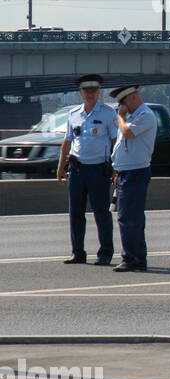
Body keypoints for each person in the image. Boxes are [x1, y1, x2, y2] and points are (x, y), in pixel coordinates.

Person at [56, 74, 118, 265]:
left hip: (99, 169)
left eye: (94, 90)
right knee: (75, 213)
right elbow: (68, 141)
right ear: (80, 92)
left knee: (101, 213)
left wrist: (115, 167)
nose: (90, 94)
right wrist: (60, 166)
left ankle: (105, 253)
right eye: (86, 91)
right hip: (77, 169)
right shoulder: (74, 113)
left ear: (99, 92)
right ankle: (78, 252)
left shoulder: (108, 113)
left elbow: (115, 141)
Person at [108, 84, 158, 273]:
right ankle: (135, 257)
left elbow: (127, 133)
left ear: (132, 98)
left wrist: (120, 117)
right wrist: (116, 168)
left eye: (123, 103)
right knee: (128, 216)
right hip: (125, 173)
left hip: (135, 173)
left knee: (129, 218)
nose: (122, 107)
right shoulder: (134, 117)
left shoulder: (145, 116)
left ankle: (132, 258)